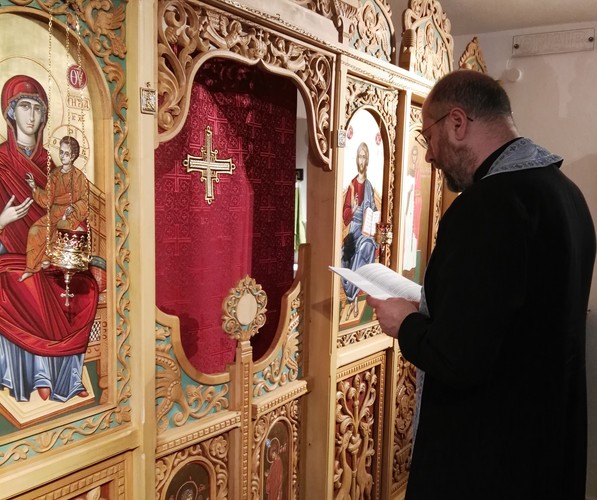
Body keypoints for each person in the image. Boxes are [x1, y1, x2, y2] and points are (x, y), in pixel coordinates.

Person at [367, 69, 595, 499]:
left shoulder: (487, 207)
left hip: (488, 458)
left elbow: (458, 359)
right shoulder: (567, 194)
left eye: (428, 137)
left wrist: (405, 323)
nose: (429, 156)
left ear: (457, 122)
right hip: (546, 447)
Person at [0, 74, 98, 403]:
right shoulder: (0, 163)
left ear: (44, 116)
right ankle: (37, 375)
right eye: (24, 106)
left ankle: (68, 377)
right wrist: (2, 221)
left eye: (37, 108)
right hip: (8, 253)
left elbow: (66, 204)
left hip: (52, 251)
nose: (31, 115)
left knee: (84, 289)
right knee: (29, 286)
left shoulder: (52, 164)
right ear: (10, 112)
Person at [20, 135, 88, 281]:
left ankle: (47, 257)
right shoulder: (55, 174)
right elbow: (47, 200)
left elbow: (84, 201)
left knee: (60, 226)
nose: (62, 156)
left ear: (73, 156)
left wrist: (74, 207)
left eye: (66, 153)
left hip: (71, 214)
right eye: (61, 152)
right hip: (55, 212)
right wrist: (34, 187)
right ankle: (30, 268)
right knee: (35, 230)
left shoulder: (79, 177)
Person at [341, 141, 378, 320]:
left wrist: (374, 216)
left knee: (364, 250)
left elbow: (374, 208)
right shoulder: (352, 185)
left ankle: (355, 299)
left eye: (364, 157)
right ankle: (351, 298)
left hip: (366, 231)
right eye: (359, 157)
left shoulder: (369, 186)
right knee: (344, 257)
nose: (361, 160)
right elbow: (345, 214)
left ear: (367, 160)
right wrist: (354, 209)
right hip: (354, 229)